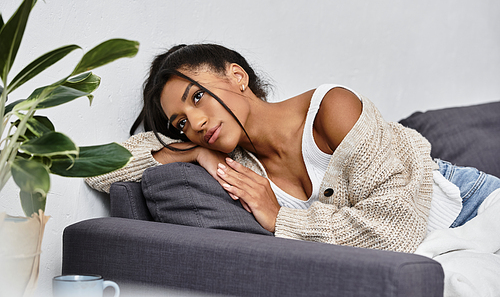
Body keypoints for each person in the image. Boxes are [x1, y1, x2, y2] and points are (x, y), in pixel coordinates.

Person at [86, 43, 500, 253]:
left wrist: (280, 218)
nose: (193, 123)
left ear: (237, 76)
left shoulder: (331, 108)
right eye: (180, 124)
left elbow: (395, 232)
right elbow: (94, 169)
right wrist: (193, 153)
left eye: (197, 98)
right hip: (433, 250)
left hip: (472, 205)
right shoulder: (238, 165)